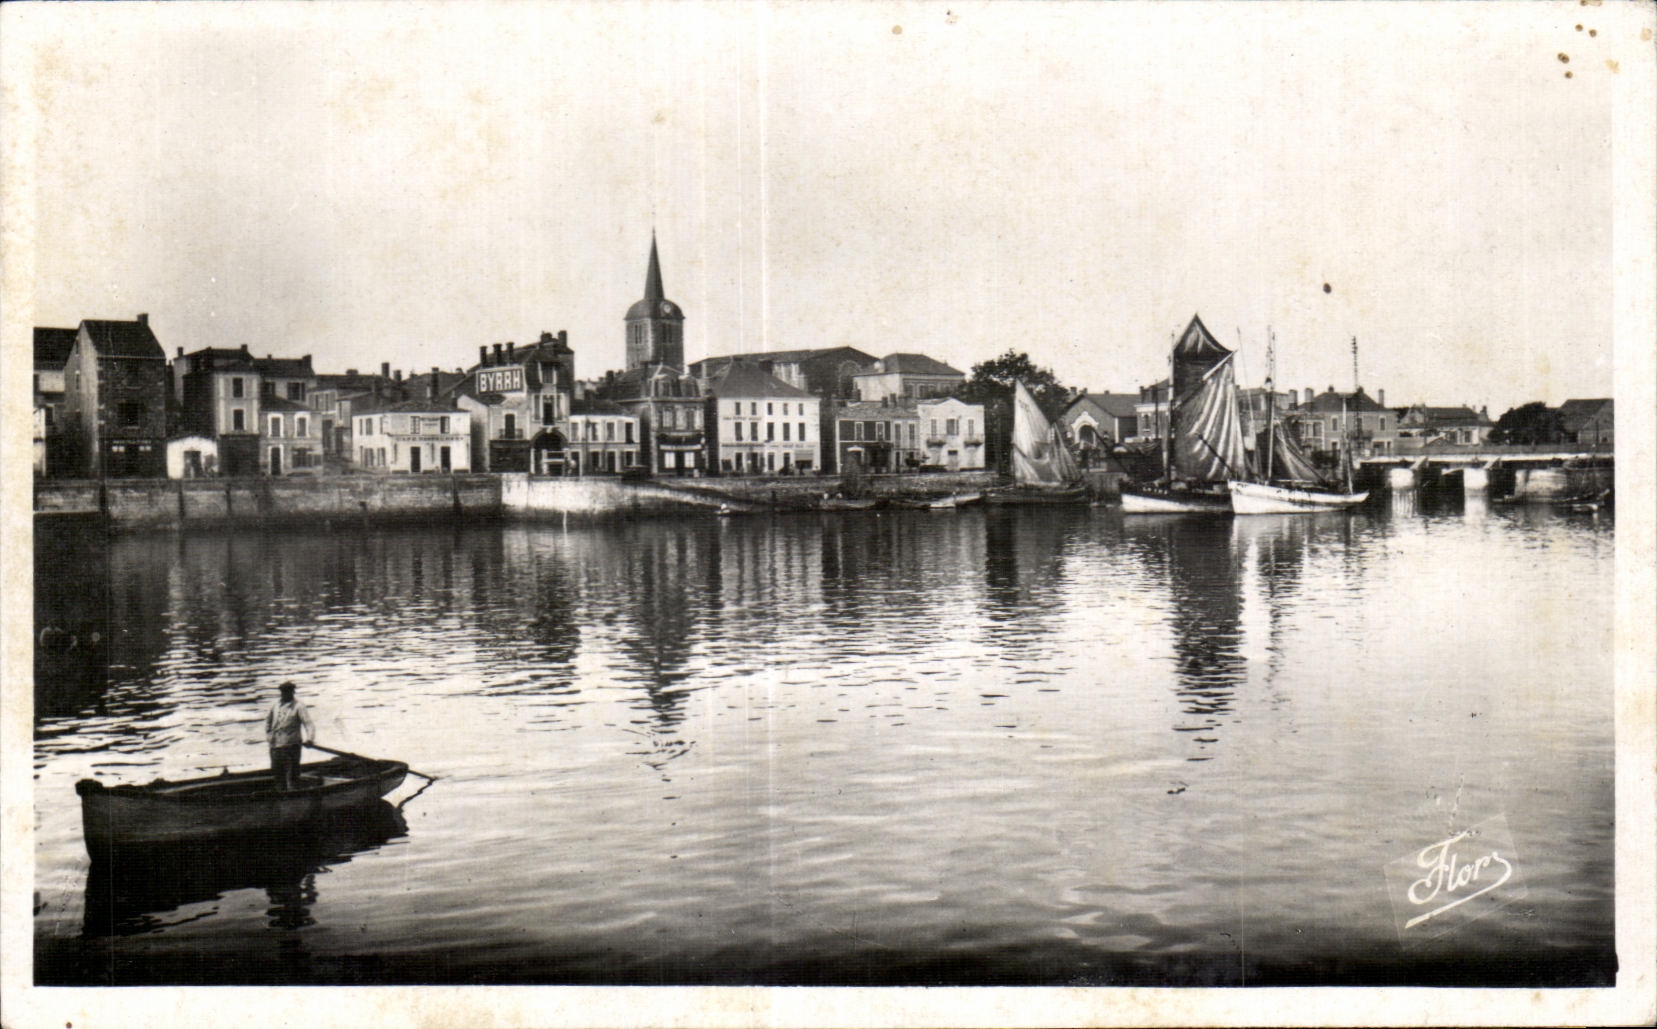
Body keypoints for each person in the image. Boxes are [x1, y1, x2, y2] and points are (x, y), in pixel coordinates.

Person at [265, 681, 315, 791]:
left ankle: (293, 797)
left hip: (291, 746)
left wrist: (310, 739)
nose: (285, 694)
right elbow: (268, 722)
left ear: (292, 692)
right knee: (277, 774)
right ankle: (280, 794)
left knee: (292, 775)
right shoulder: (275, 706)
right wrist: (269, 736)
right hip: (275, 747)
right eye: (283, 692)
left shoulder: (299, 706)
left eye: (288, 692)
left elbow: (308, 723)